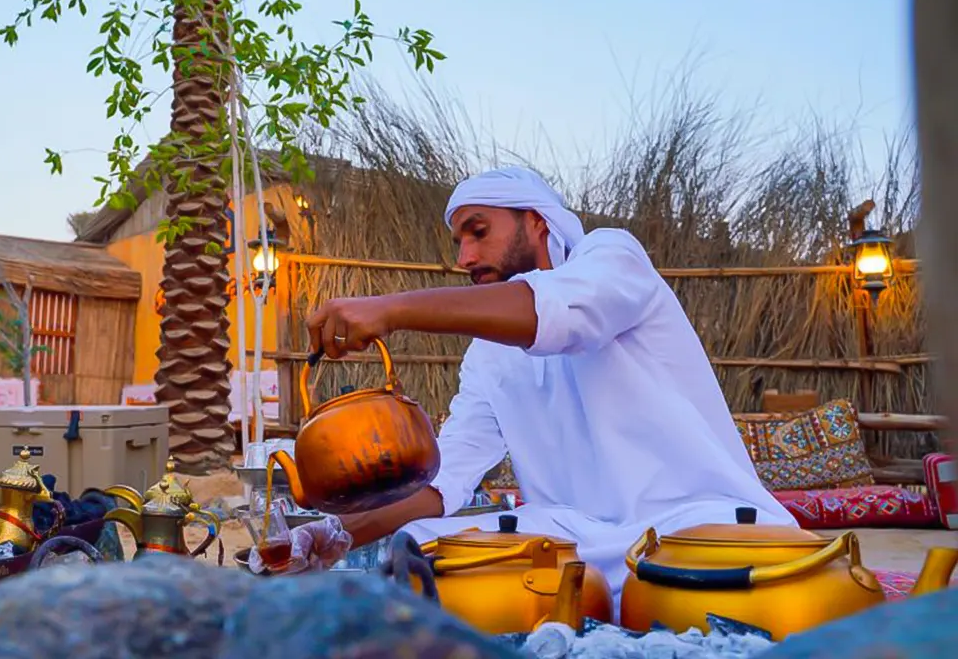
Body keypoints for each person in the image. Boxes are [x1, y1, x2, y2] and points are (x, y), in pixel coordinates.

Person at [271, 166, 794, 612]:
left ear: (537, 222)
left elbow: (556, 313)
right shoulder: (487, 354)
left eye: (479, 232)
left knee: (699, 564)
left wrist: (390, 310)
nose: (465, 257)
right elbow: (444, 481)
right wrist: (333, 535)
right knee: (421, 543)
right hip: (578, 547)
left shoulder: (613, 259)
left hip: (696, 528)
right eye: (458, 242)